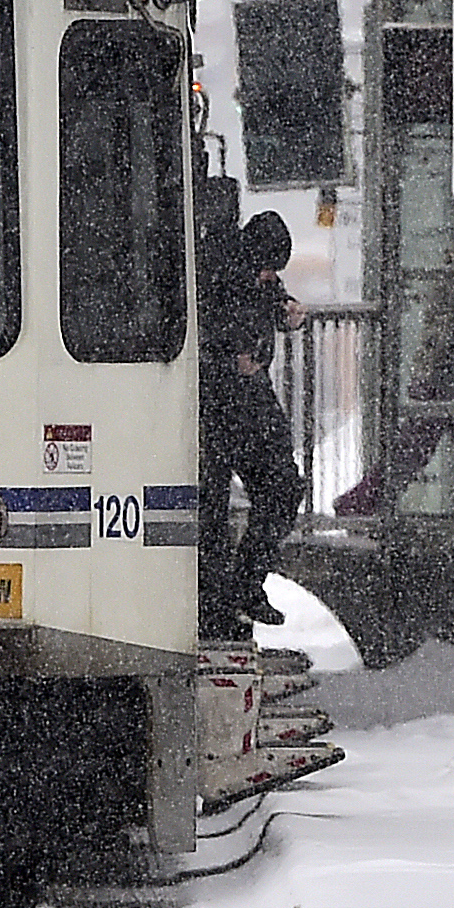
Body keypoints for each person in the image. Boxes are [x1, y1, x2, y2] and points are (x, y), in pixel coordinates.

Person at [197, 219, 307, 640]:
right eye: (268, 268)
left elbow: (267, 300)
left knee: (276, 489)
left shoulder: (248, 275)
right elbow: (206, 333)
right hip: (224, 402)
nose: (272, 277)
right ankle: (229, 593)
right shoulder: (219, 277)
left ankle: (238, 587)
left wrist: (285, 310)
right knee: (216, 506)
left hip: (248, 402)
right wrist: (230, 362)